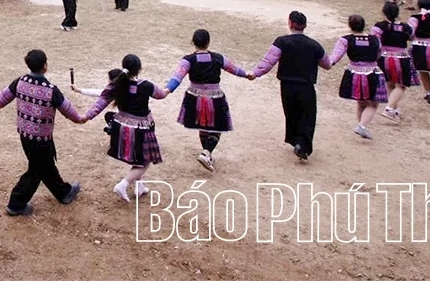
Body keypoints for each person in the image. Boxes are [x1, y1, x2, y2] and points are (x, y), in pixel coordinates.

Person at [0, 49, 83, 217]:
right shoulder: (50, 90)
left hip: (24, 135)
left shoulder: (20, 82)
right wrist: (82, 119)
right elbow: (69, 111)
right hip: (42, 138)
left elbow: (0, 99)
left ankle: (64, 192)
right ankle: (16, 203)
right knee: (36, 170)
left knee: (45, 165)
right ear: (45, 66)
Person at [76, 55, 168, 201]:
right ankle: (123, 184)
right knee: (144, 162)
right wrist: (169, 87)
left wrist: (86, 117)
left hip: (121, 127)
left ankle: (140, 186)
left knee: (137, 157)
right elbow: (162, 94)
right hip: (141, 129)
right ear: (139, 69)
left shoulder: (117, 85)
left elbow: (100, 104)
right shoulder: (146, 86)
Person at [161, 30, 253, 172]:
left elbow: (177, 77)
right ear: (208, 42)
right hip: (214, 97)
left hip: (194, 97)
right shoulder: (218, 58)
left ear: (193, 42)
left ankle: (207, 153)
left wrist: (167, 90)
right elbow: (234, 69)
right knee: (218, 127)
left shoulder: (188, 60)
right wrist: (247, 75)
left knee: (203, 125)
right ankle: (206, 153)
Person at [251, 11, 331, 161]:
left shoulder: (281, 42)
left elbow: (268, 61)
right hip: (306, 86)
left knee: (292, 114)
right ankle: (303, 144)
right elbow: (326, 64)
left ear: (290, 24)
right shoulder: (314, 44)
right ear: (305, 26)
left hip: (287, 85)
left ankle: (296, 141)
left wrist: (255, 74)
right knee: (307, 116)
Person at [326, 13, 387, 139]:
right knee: (373, 103)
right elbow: (379, 54)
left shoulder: (346, 40)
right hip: (371, 72)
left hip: (354, 72)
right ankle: (362, 126)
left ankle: (362, 126)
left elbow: (336, 55)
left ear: (350, 26)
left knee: (361, 101)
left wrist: (329, 63)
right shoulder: (375, 39)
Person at [372, 0, 416, 122]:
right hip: (401, 58)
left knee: (390, 83)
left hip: (384, 58)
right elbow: (412, 37)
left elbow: (376, 43)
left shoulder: (379, 27)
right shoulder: (406, 27)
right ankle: (389, 108)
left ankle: (395, 110)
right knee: (400, 85)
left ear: (384, 12)